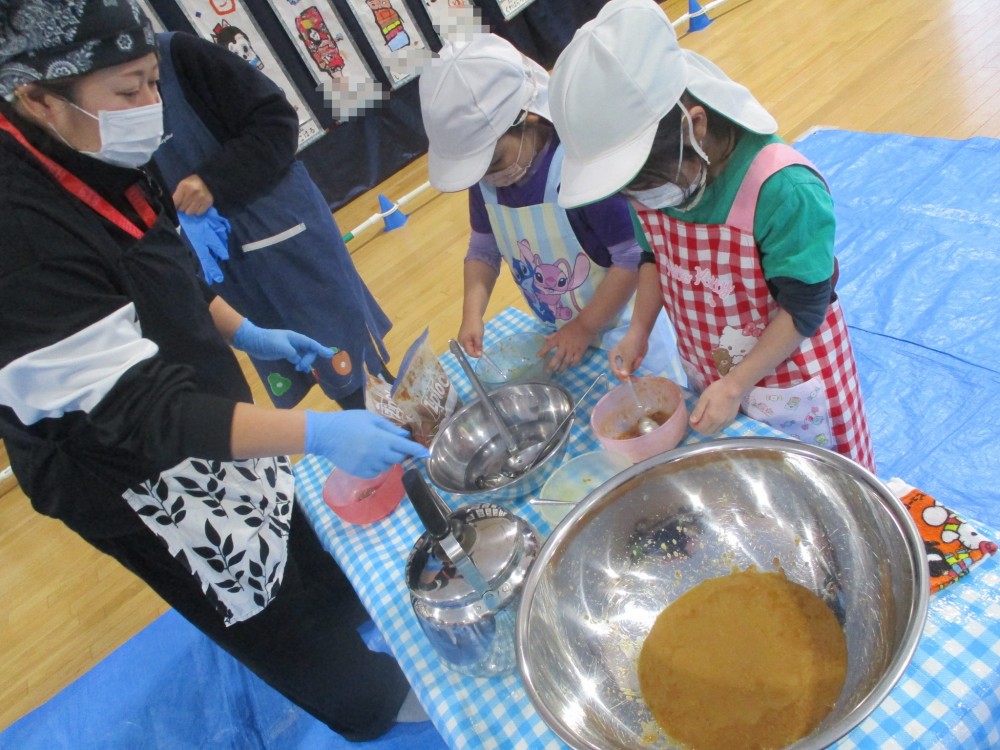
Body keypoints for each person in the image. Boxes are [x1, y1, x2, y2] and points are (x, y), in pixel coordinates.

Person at [0, 0, 428, 739]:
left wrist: (246, 330)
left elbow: (157, 261)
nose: (151, 104)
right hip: (129, 467)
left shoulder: (90, 144)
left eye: (152, 81)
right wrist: (318, 435)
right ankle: (367, 703)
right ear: (39, 99)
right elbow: (141, 413)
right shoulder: (18, 230)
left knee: (285, 527)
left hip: (197, 404)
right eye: (129, 90)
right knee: (258, 604)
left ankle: (340, 605)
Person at [547, 0, 874, 471]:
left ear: (695, 127)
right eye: (630, 195)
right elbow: (653, 257)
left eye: (645, 187)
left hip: (793, 384)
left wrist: (737, 384)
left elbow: (804, 306)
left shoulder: (783, 190)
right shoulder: (656, 183)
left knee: (820, 484)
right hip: (714, 372)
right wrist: (638, 330)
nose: (642, 203)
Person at [418, 33, 685, 380]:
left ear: (528, 119)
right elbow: (483, 250)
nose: (487, 177)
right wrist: (472, 313)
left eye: (494, 161)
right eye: (476, 169)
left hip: (629, 334)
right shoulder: (487, 183)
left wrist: (586, 325)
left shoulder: (577, 172)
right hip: (562, 332)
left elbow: (632, 257)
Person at [153, 30, 393, 411]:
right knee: (291, 363)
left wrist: (212, 181)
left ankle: (402, 430)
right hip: (223, 260)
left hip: (281, 229)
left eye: (144, 82)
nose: (142, 96)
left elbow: (278, 122)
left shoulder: (182, 56)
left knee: (350, 364)